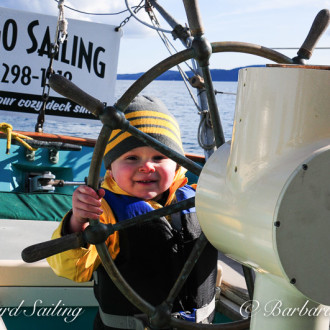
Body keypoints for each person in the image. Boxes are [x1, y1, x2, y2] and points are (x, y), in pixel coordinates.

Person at [47, 95, 218, 329]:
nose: (147, 166)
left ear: (178, 163)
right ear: (110, 167)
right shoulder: (102, 211)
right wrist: (78, 222)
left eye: (159, 156)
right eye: (131, 157)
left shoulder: (204, 200)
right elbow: (72, 269)